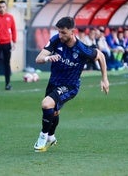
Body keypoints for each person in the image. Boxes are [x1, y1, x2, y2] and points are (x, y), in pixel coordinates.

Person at [33, 16, 109, 152]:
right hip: (54, 82)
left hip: (70, 86)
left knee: (46, 104)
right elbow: (38, 59)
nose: (60, 35)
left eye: (63, 33)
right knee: (54, 112)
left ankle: (42, 137)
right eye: (59, 32)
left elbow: (101, 56)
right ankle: (51, 136)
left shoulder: (81, 49)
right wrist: (47, 57)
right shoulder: (56, 40)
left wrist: (104, 79)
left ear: (72, 31)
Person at [0, 0, 17, 90]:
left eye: (3, 7)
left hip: (7, 43)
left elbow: (13, 30)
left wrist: (14, 41)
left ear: (6, 7)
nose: (2, 8)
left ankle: (7, 84)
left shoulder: (10, 17)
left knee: (7, 64)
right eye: (0, 7)